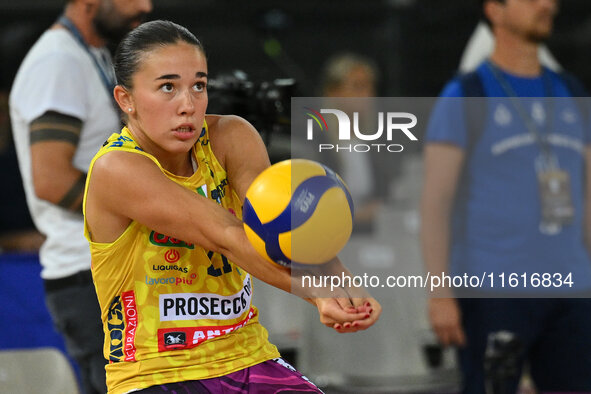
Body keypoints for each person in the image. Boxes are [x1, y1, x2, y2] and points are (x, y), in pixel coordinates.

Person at [83, 20, 381, 394]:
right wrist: (318, 293)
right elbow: (226, 235)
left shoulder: (231, 136)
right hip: (156, 373)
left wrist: (344, 283)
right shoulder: (117, 167)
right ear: (126, 99)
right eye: (167, 88)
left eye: (199, 86)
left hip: (248, 357)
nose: (187, 105)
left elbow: (284, 223)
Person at [421, 0, 591, 392]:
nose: (546, 5)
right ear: (495, 11)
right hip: (494, 287)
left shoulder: (570, 91)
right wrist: (439, 295)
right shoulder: (466, 94)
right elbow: (436, 203)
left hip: (573, 286)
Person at [9, 1, 152, 393]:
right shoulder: (58, 62)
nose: (145, 6)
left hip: (103, 272)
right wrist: (150, 213)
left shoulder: (91, 55)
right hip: (89, 276)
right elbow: (52, 180)